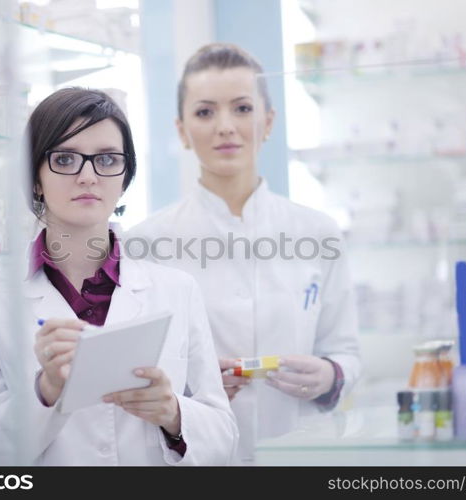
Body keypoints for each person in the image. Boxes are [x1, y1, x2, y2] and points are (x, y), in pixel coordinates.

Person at [0, 87, 238, 465]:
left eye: (106, 159)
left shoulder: (177, 290)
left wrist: (172, 412)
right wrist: (45, 391)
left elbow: (224, 437)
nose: (88, 176)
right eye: (66, 159)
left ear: (124, 177)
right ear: (34, 178)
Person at [126, 43, 360, 462]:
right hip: (196, 458)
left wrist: (330, 374)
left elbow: (345, 349)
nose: (225, 126)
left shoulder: (318, 233)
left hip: (300, 451)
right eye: (204, 112)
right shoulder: (144, 244)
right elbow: (133, 373)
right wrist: (188, 390)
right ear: (181, 130)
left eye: (242, 108)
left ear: (268, 122)